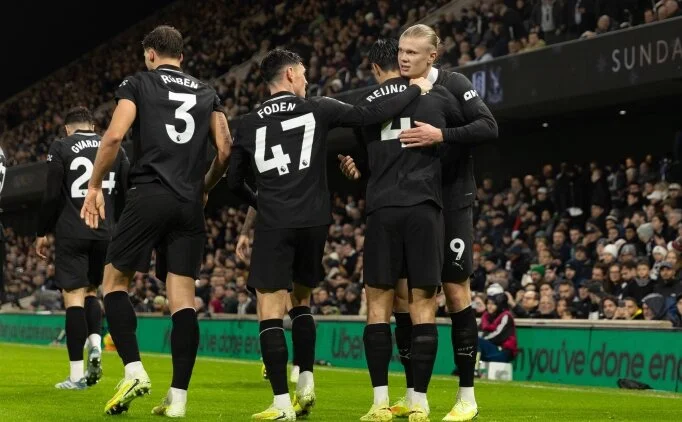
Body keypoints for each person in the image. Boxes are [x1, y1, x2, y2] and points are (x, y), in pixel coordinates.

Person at [226, 48, 432, 421]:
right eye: (303, 73)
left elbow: (234, 181)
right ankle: (306, 382)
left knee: (270, 310)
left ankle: (281, 404)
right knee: (301, 301)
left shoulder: (248, 123)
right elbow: (370, 114)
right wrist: (415, 88)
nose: (307, 80)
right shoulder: (319, 107)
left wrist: (262, 201)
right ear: (290, 74)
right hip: (314, 221)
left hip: (274, 221)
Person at [340, 24, 498, 422]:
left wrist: (441, 134)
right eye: (401, 52)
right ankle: (413, 394)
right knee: (403, 299)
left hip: (451, 200)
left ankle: (466, 396)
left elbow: (488, 126)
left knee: (455, 292)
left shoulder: (452, 85)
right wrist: (361, 166)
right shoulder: (395, 95)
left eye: (412, 52)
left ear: (432, 56)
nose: (404, 58)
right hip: (412, 204)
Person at [80, 26, 231, 417]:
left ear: (150, 54)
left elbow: (114, 137)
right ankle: (177, 399)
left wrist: (94, 186)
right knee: (183, 300)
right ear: (182, 56)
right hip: (189, 203)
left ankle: (133, 370)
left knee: (114, 282)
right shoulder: (207, 91)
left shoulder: (138, 83)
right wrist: (204, 187)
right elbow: (225, 150)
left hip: (149, 193)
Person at [35, 106, 128, 390]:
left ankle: (76, 376)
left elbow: (51, 193)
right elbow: (125, 190)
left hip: (72, 230)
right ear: (93, 126)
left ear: (67, 128)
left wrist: (42, 231)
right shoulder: (113, 145)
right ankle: (96, 344)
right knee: (92, 293)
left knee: (73, 297)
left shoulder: (61, 146)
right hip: (105, 232)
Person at [478, 293, 518, 362]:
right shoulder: (485, 316)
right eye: (488, 303)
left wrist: (482, 339)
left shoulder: (506, 316)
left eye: (493, 304)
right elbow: (477, 331)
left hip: (504, 350)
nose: (489, 306)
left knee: (476, 341)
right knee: (471, 340)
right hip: (491, 347)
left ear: (499, 305)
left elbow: (498, 335)